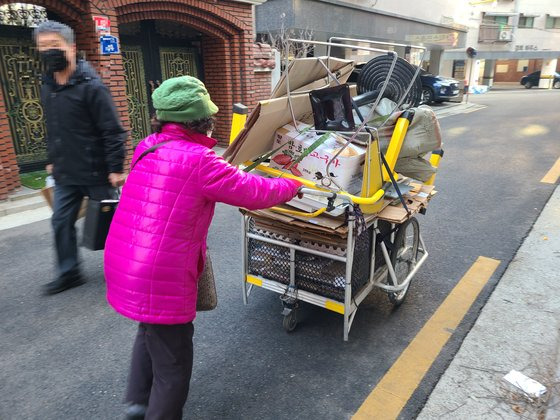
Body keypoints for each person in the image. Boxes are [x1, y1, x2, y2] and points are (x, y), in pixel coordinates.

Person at [103, 75, 301, 420]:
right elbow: (252, 191)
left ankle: (136, 405)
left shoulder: (147, 145)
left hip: (124, 259)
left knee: (150, 329)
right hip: (160, 272)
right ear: (203, 120)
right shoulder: (200, 160)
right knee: (174, 361)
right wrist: (291, 184)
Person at [34, 20, 127, 295]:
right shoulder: (48, 85)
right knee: (60, 221)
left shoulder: (92, 86)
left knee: (113, 224)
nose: (48, 52)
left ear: (71, 47)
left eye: (54, 46)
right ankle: (69, 272)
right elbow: (54, 128)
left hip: (97, 170)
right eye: (42, 48)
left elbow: (113, 130)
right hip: (65, 171)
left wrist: (115, 167)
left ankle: (127, 266)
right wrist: (52, 159)